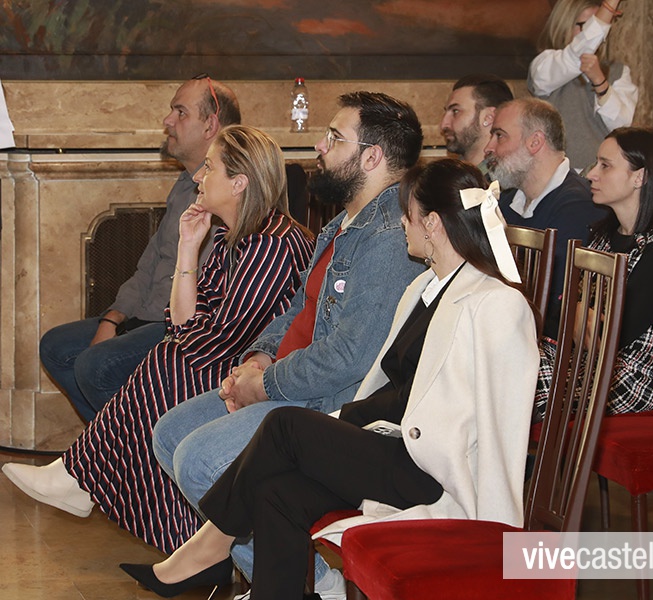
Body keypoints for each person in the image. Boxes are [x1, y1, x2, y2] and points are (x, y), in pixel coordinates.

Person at [120, 158, 540, 600]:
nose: (402, 223)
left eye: (408, 214)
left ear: (433, 223)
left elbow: (501, 425)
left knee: (284, 425)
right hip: (394, 446)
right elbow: (393, 390)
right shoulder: (424, 290)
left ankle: (208, 546)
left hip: (434, 471)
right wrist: (339, 423)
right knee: (278, 491)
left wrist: (498, 527)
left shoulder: (496, 303)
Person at [151, 91, 425, 589]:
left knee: (199, 461)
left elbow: (350, 359)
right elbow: (299, 307)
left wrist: (266, 383)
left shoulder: (387, 238)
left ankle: (315, 585)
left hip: (331, 405)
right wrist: (258, 357)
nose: (319, 145)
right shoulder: (345, 222)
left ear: (372, 157)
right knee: (169, 433)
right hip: (293, 379)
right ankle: (278, 576)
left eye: (334, 138)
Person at [2, 125, 316, 552]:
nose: (198, 176)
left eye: (209, 167)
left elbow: (217, 341)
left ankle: (86, 481)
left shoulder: (273, 244)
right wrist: (188, 246)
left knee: (168, 362)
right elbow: (182, 323)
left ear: (239, 183)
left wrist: (183, 337)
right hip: (227, 362)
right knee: (168, 358)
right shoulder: (230, 237)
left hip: (264, 376)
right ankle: (119, 501)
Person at [39, 76, 241, 422]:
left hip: (176, 325)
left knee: (95, 367)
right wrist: (113, 317)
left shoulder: (227, 194)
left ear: (210, 125)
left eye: (180, 112)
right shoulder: (184, 183)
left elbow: (207, 304)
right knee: (56, 346)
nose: (167, 121)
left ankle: (138, 447)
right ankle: (114, 442)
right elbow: (149, 264)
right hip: (145, 314)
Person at [584, 126, 653, 413]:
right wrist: (580, 314)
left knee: (511, 386)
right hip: (588, 366)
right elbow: (568, 311)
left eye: (605, 166)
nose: (591, 174)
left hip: (632, 382)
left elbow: (616, 330)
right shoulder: (603, 236)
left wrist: (578, 313)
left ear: (639, 177)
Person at [485, 97, 606, 340]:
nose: (489, 147)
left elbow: (554, 302)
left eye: (499, 136)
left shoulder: (579, 206)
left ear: (535, 142)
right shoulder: (506, 202)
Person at [529, 0, 638, 172]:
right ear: (565, 25)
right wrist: (609, 6)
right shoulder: (546, 64)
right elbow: (576, 54)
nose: (596, 33)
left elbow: (622, 126)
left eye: (601, 25)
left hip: (601, 175)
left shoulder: (618, 71)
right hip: (556, 176)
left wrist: (600, 81)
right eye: (586, 26)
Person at [439, 74, 514, 173]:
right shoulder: (450, 176)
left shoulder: (510, 178)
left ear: (489, 117)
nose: (443, 125)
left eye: (456, 111)